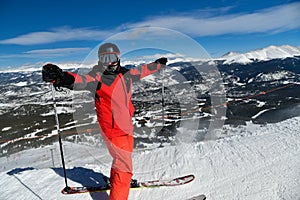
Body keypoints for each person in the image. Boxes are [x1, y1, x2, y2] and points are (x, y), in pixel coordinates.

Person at [42, 42, 167, 200]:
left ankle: (118, 179)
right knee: (125, 169)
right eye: (105, 58)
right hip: (113, 131)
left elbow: (140, 71)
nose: (109, 62)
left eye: (112, 57)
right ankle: (119, 188)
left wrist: (156, 65)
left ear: (118, 58)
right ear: (100, 60)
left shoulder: (125, 74)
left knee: (121, 161)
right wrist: (60, 77)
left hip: (127, 127)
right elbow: (78, 80)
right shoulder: (97, 78)